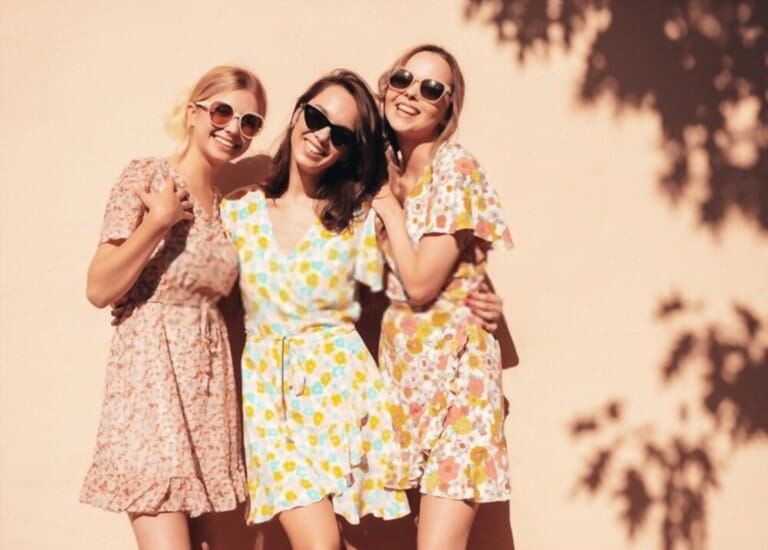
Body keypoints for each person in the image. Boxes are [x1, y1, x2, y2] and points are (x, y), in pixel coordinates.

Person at [220, 70, 410, 550]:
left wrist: (474, 300)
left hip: (340, 395)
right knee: (320, 543)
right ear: (298, 112)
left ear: (351, 150)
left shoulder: (360, 218)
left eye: (342, 134)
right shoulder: (238, 212)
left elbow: (419, 278)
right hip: (267, 396)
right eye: (316, 116)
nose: (322, 136)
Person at [81, 65, 267, 550]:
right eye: (223, 111)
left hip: (211, 393)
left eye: (250, 123)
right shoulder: (147, 176)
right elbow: (100, 287)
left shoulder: (228, 210)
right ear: (194, 113)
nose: (234, 129)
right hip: (150, 386)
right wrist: (157, 222)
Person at [372, 44, 514, 550]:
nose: (412, 93)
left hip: (458, 381)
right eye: (403, 79)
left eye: (431, 89)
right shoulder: (383, 172)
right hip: (408, 382)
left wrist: (387, 209)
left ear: (446, 109)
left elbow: (421, 284)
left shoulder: (454, 168)